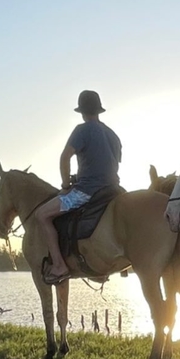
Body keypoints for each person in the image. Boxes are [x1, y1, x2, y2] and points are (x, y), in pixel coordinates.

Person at [36, 89, 123, 285]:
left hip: (86, 192)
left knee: (41, 215)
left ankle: (59, 265)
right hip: (114, 190)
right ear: (99, 110)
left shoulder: (82, 130)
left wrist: (66, 184)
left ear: (82, 112)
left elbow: (65, 157)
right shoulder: (112, 134)